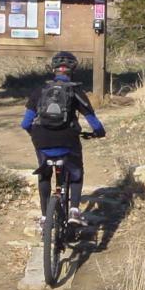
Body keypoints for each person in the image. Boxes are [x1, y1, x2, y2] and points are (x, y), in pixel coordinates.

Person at [21, 51, 105, 226]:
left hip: (41, 138)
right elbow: (94, 122)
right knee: (76, 173)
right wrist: (99, 132)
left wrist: (34, 134)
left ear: (53, 69)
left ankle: (45, 217)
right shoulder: (76, 91)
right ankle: (74, 210)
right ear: (73, 70)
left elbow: (25, 123)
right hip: (68, 139)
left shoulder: (40, 90)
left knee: (44, 175)